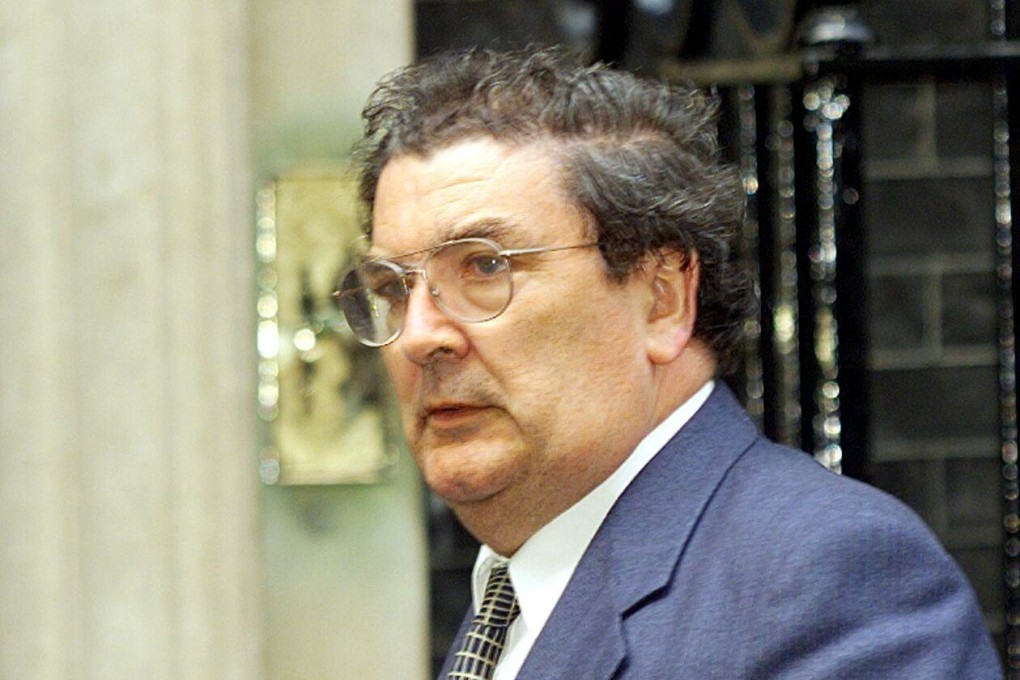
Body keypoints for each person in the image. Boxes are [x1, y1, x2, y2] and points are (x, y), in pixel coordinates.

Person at [337, 46, 1002, 679]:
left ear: (661, 300)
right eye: (395, 287)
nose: (419, 336)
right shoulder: (516, 588)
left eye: (485, 266)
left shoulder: (828, 576)